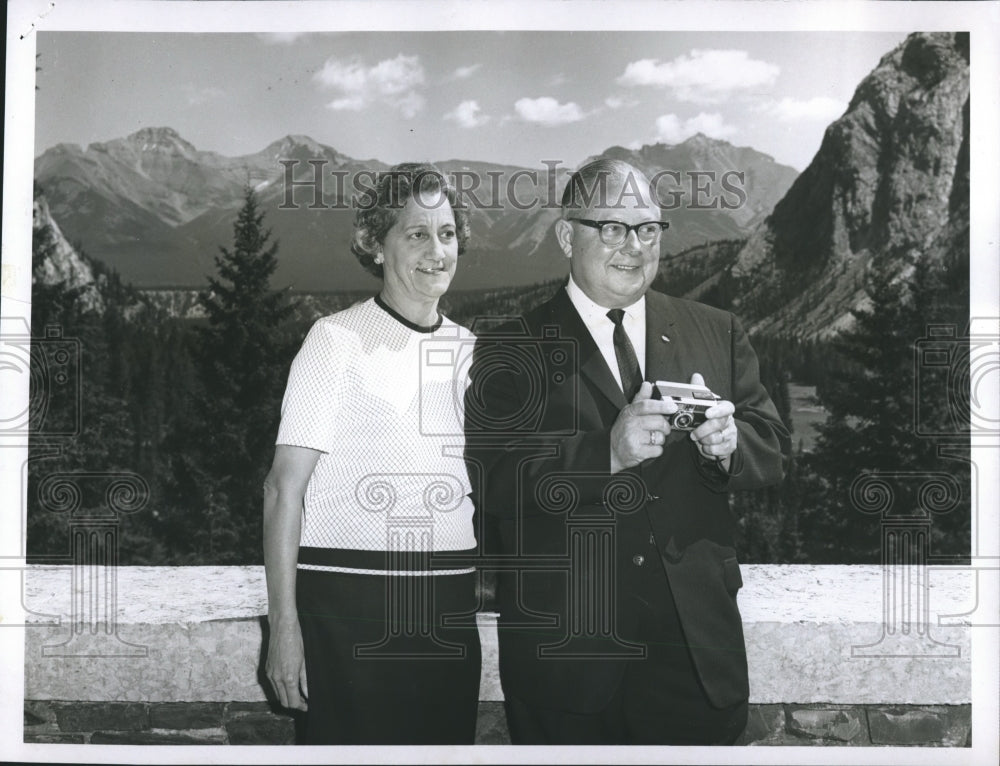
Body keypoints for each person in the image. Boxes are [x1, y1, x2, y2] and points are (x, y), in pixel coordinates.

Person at [464, 159, 790, 745]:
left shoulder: (716, 330)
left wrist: (730, 445)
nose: (633, 247)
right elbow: (495, 480)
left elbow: (773, 442)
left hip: (695, 656)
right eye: (611, 228)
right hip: (567, 666)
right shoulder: (510, 347)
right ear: (568, 236)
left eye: (648, 229)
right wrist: (605, 454)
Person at [263, 163, 481, 744]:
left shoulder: (472, 353)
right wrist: (284, 625)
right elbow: (284, 489)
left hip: (449, 605)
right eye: (415, 234)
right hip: (348, 603)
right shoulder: (335, 340)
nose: (437, 250)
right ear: (375, 246)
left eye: (447, 233)